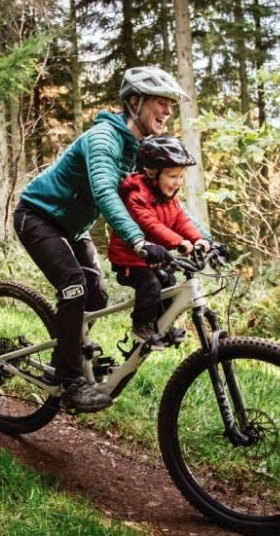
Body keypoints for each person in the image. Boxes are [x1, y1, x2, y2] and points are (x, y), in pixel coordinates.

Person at [14, 66, 189, 413]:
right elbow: (106, 193)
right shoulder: (103, 139)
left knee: (96, 294)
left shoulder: (139, 150)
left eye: (171, 104)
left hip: (73, 229)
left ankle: (64, 357)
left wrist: (201, 240)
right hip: (38, 216)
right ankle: (69, 380)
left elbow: (164, 204)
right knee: (74, 286)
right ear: (135, 102)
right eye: (161, 102)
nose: (168, 111)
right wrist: (139, 242)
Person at [108, 136, 211, 350]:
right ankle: (141, 327)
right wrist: (179, 242)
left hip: (154, 258)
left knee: (169, 283)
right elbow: (151, 224)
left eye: (180, 177)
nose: (177, 182)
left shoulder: (170, 198)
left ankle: (162, 326)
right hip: (130, 259)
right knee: (151, 285)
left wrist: (198, 238)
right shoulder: (137, 197)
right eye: (172, 176)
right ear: (152, 173)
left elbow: (182, 220)